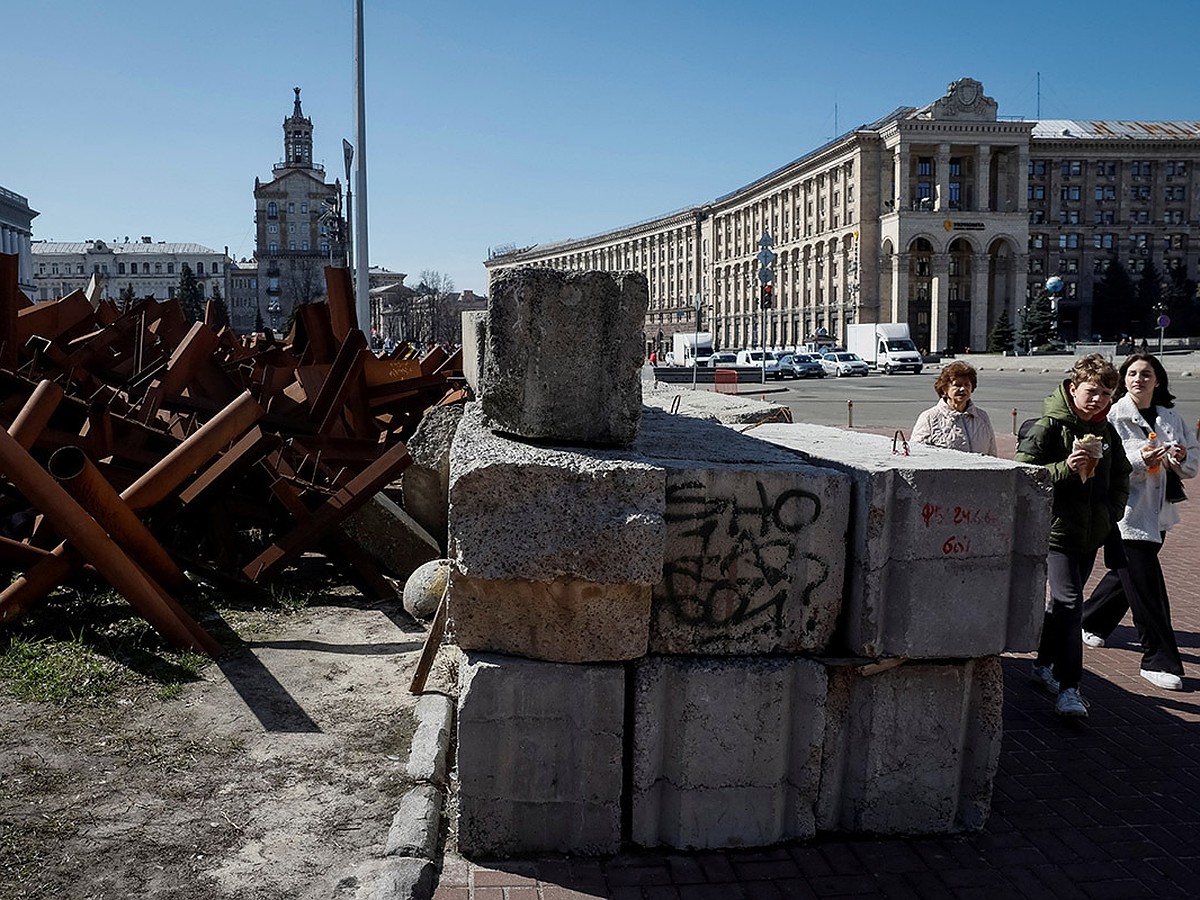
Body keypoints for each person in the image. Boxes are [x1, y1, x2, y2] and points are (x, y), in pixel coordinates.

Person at [1016, 353, 1131, 718]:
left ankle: (1041, 666)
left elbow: (1122, 474)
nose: (1099, 400)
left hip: (1091, 534)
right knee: (1070, 603)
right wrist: (1064, 468)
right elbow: (1021, 474)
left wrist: (1113, 511)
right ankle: (1070, 689)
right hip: (1056, 531)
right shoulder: (1049, 426)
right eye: (1092, 391)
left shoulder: (1105, 430)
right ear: (1073, 387)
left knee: (1060, 607)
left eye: (1107, 394)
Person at [1080, 353, 1199, 691]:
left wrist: (1180, 458)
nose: (1138, 379)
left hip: (1158, 515)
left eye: (1146, 374)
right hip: (1126, 516)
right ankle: (1158, 659)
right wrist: (1138, 458)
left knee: (1124, 577)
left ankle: (1091, 621)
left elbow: (1192, 463)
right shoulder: (1114, 416)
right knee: (1147, 587)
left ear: (1157, 380)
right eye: (1131, 373)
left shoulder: (1170, 418)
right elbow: (1103, 466)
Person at [911, 361, 998, 456]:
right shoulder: (929, 418)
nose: (963, 389)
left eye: (967, 385)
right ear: (944, 389)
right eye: (957, 385)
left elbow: (992, 453)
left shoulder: (982, 416)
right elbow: (918, 454)